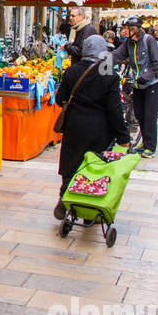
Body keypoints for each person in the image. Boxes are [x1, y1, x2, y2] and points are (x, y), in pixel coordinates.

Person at [54, 34, 130, 218]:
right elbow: (114, 109)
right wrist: (123, 137)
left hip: (74, 126)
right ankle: (90, 204)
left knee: (71, 163)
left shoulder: (72, 71)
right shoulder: (108, 74)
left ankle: (65, 197)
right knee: (94, 168)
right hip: (99, 129)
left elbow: (59, 99)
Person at [111, 18, 158, 158]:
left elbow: (157, 62)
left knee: (149, 115)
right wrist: (101, 62)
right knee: (139, 114)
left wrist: (146, 76)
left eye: (126, 28)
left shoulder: (149, 40)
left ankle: (150, 146)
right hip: (137, 84)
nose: (123, 31)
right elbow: (117, 55)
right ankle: (145, 143)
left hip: (150, 83)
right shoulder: (129, 42)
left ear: (134, 29)